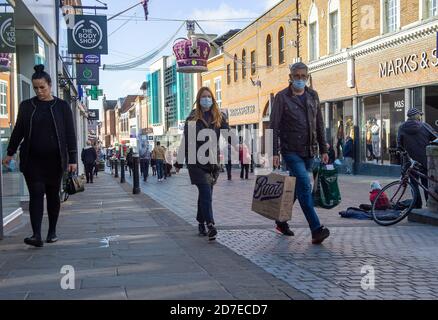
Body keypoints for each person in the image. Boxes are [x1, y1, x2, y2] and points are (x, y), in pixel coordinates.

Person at [2, 65, 77, 247]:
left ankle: (52, 232)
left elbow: (69, 134)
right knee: (36, 194)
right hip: (33, 160)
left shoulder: (62, 106)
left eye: (42, 87)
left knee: (52, 196)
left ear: (50, 85)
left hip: (55, 160)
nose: (39, 91)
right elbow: (18, 130)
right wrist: (10, 153)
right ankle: (36, 235)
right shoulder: (27, 106)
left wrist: (73, 159)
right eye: (36, 88)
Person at [270, 62, 330, 244]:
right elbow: (273, 127)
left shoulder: (313, 95)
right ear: (290, 77)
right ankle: (316, 229)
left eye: (304, 76)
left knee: (295, 189)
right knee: (304, 185)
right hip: (290, 150)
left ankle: (280, 221)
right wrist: (274, 152)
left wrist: (324, 149)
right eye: (297, 76)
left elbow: (319, 123)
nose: (300, 79)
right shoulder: (282, 97)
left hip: (309, 151)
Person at [175, 87, 236, 241]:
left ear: (213, 99)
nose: (206, 99)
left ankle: (200, 222)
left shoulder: (218, 117)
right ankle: (210, 225)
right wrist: (178, 162)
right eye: (203, 97)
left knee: (205, 194)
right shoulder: (192, 118)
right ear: (198, 99)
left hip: (212, 163)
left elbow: (227, 133)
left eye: (209, 96)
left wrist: (238, 145)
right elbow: (186, 141)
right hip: (196, 162)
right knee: (205, 192)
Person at [397, 107, 438, 209]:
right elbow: (435, 138)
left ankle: (417, 204)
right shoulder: (424, 126)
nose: (420, 116)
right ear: (416, 116)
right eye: (420, 115)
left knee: (414, 184)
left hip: (411, 162)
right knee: (426, 184)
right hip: (425, 160)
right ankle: (430, 205)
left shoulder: (401, 127)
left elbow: (399, 145)